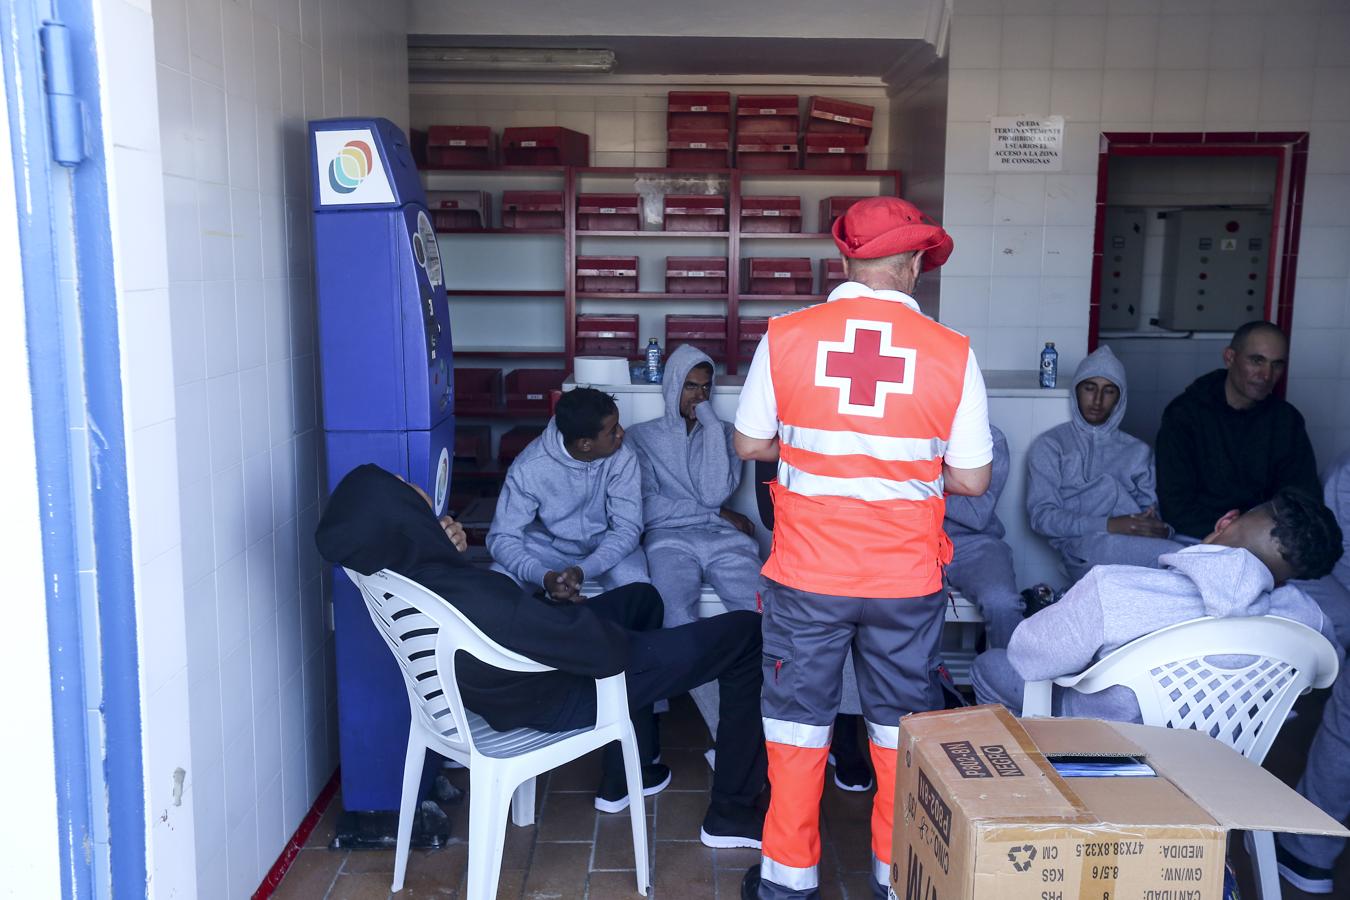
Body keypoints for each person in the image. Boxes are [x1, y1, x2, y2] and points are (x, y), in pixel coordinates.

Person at [733, 196, 993, 900]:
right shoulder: (952, 352)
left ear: (844, 261)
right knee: (898, 734)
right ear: (911, 264)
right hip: (905, 583)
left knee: (795, 729)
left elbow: (749, 442)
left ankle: (787, 880)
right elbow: (971, 478)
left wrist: (824, 444)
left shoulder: (786, 335)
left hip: (807, 574)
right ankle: (893, 873)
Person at [316, 464, 767, 845]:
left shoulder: (407, 573)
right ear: (400, 516)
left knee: (642, 598)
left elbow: (503, 613)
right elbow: (602, 651)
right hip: (559, 690)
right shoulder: (468, 595)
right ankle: (731, 813)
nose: (416, 490)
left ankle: (630, 774)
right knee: (746, 633)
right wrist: (584, 625)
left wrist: (445, 547)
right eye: (405, 489)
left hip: (511, 676)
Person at [971, 487, 1343, 721]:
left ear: (1226, 520)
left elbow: (1028, 657)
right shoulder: (1305, 622)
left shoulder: (1115, 588)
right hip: (1215, 760)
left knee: (989, 666)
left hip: (1100, 743)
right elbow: (1326, 671)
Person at [626, 345, 761, 627]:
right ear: (673, 385)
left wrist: (712, 427)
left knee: (761, 610)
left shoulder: (726, 434)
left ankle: (751, 672)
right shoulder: (640, 436)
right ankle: (687, 671)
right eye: (690, 386)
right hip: (667, 540)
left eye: (705, 388)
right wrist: (719, 514)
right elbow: (647, 507)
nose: (699, 397)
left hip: (727, 541)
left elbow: (715, 494)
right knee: (674, 616)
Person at [1027, 345, 1185, 581]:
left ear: (1120, 398)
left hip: (1135, 543)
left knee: (1187, 558)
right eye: (1090, 388)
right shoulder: (1051, 445)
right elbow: (1042, 518)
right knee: (1179, 559)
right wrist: (1109, 525)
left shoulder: (1138, 451)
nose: (1098, 400)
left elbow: (1150, 514)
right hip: (1082, 547)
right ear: (1076, 391)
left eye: (1109, 391)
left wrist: (1161, 529)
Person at [1156, 321, 1320, 540]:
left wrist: (1263, 536)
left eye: (1277, 364)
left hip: (1269, 540)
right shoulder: (1184, 415)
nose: (1266, 375)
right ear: (1230, 357)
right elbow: (1175, 506)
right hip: (1198, 537)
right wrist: (1236, 535)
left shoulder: (1286, 420)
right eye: (1257, 361)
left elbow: (1303, 499)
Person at [487, 387, 648, 596]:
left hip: (606, 546)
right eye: (612, 431)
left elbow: (627, 530)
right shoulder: (528, 467)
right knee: (497, 586)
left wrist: (582, 571)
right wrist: (543, 577)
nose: (622, 433)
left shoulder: (623, 458)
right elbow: (502, 537)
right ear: (585, 444)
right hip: (547, 548)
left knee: (640, 590)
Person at [944, 425, 1022, 649]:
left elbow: (976, 514)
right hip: (917, 538)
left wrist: (927, 482)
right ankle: (921, 681)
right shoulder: (909, 431)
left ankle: (1008, 681)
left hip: (973, 542)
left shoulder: (991, 439)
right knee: (896, 607)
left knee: (1003, 602)